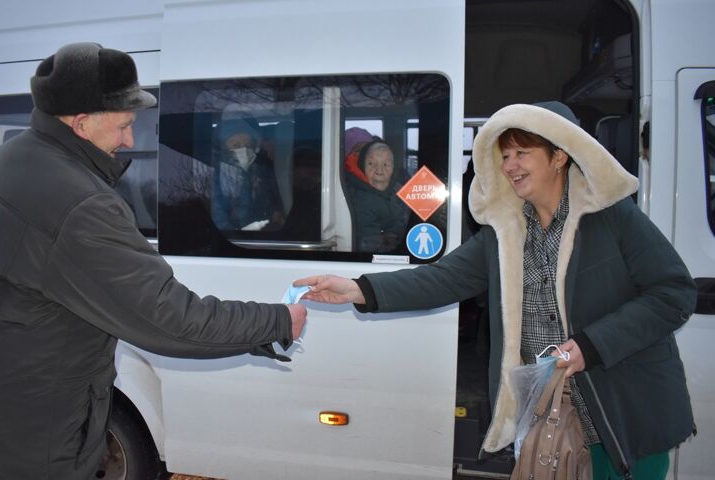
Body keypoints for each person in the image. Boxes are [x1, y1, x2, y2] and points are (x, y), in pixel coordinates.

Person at [0, 42, 306, 480]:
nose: (130, 139)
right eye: (125, 125)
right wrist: (277, 321)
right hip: (27, 440)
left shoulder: (7, 160)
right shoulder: (76, 203)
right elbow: (168, 318)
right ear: (82, 122)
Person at [296, 102, 696, 479]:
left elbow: (673, 293)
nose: (510, 166)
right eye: (505, 156)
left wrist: (592, 344)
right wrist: (357, 289)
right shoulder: (504, 231)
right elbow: (442, 278)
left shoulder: (611, 216)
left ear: (560, 156)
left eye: (522, 153)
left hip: (625, 416)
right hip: (548, 416)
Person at [211, 116, 285, 231]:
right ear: (223, 150)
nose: (243, 150)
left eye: (248, 145)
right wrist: (234, 235)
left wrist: (275, 212)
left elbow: (272, 199)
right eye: (235, 145)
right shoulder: (215, 177)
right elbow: (217, 213)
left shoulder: (262, 171)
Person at [343, 131, 410, 252]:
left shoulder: (398, 187)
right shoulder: (359, 198)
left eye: (386, 164)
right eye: (371, 163)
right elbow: (371, 247)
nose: (379, 170)